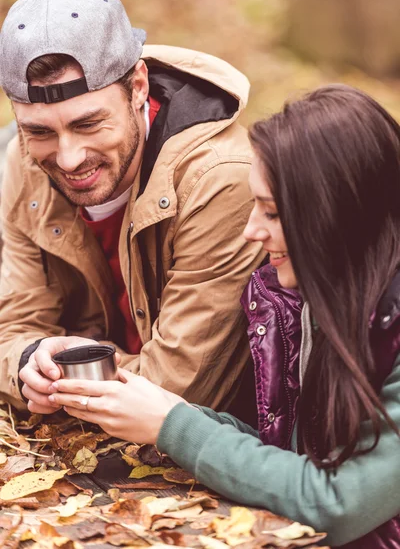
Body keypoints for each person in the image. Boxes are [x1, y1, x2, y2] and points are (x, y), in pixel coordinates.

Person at [50, 85, 400, 548]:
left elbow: (334, 501)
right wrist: (156, 405)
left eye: (272, 213)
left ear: (339, 215)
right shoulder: (316, 301)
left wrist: (172, 424)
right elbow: (288, 454)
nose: (252, 231)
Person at [0, 0, 263, 414]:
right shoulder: (25, 160)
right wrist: (28, 363)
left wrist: (58, 374)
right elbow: (14, 329)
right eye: (40, 131)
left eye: (88, 124)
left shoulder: (220, 178)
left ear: (138, 86)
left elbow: (181, 392)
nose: (68, 158)